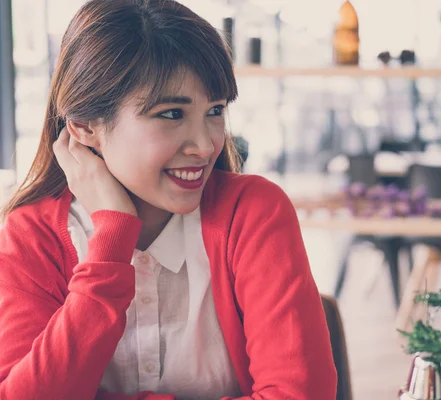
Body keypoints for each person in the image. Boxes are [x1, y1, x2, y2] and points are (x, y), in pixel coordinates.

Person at [0, 0, 337, 399]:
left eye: (215, 110)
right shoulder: (30, 235)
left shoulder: (254, 213)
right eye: (172, 114)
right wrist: (112, 240)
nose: (206, 144)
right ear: (84, 126)